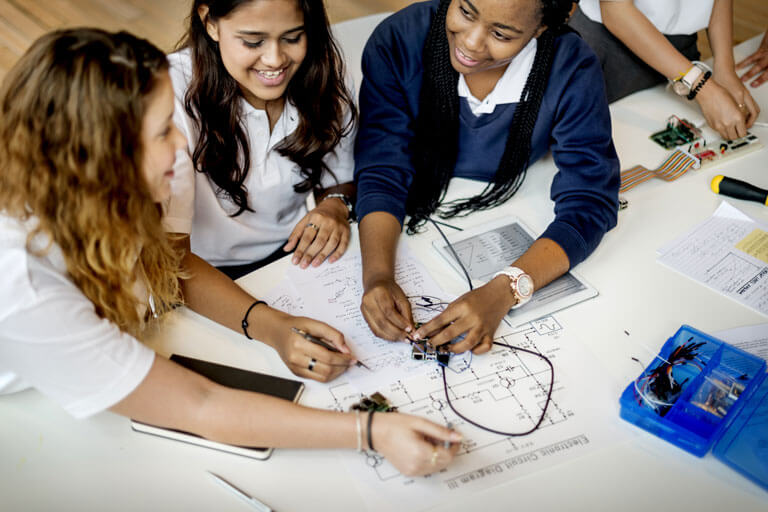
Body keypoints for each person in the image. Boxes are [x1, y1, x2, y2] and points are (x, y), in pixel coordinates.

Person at [0, 28, 459, 477]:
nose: (182, 145)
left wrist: (273, 325)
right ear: (97, 155)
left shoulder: (109, 186)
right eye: (163, 131)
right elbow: (198, 404)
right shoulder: (23, 286)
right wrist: (372, 431)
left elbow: (171, 259)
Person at [355, 0, 619, 352]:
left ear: (541, 29)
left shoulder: (571, 66)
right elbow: (382, 166)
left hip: (516, 201)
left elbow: (591, 200)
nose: (472, 43)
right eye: (465, 11)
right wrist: (377, 276)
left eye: (500, 34)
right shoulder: (399, 40)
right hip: (418, 214)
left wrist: (504, 290)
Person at [163, 0, 361, 383]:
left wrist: (335, 206)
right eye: (252, 41)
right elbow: (173, 261)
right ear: (210, 22)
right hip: (201, 277)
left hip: (291, 259)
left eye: (292, 37)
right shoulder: (170, 97)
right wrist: (272, 328)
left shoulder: (325, 71)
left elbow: (341, 174)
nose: (275, 60)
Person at [571, 0, 760, 140]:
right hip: (607, 50)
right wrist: (702, 86)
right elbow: (614, 9)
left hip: (679, 52)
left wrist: (725, 68)